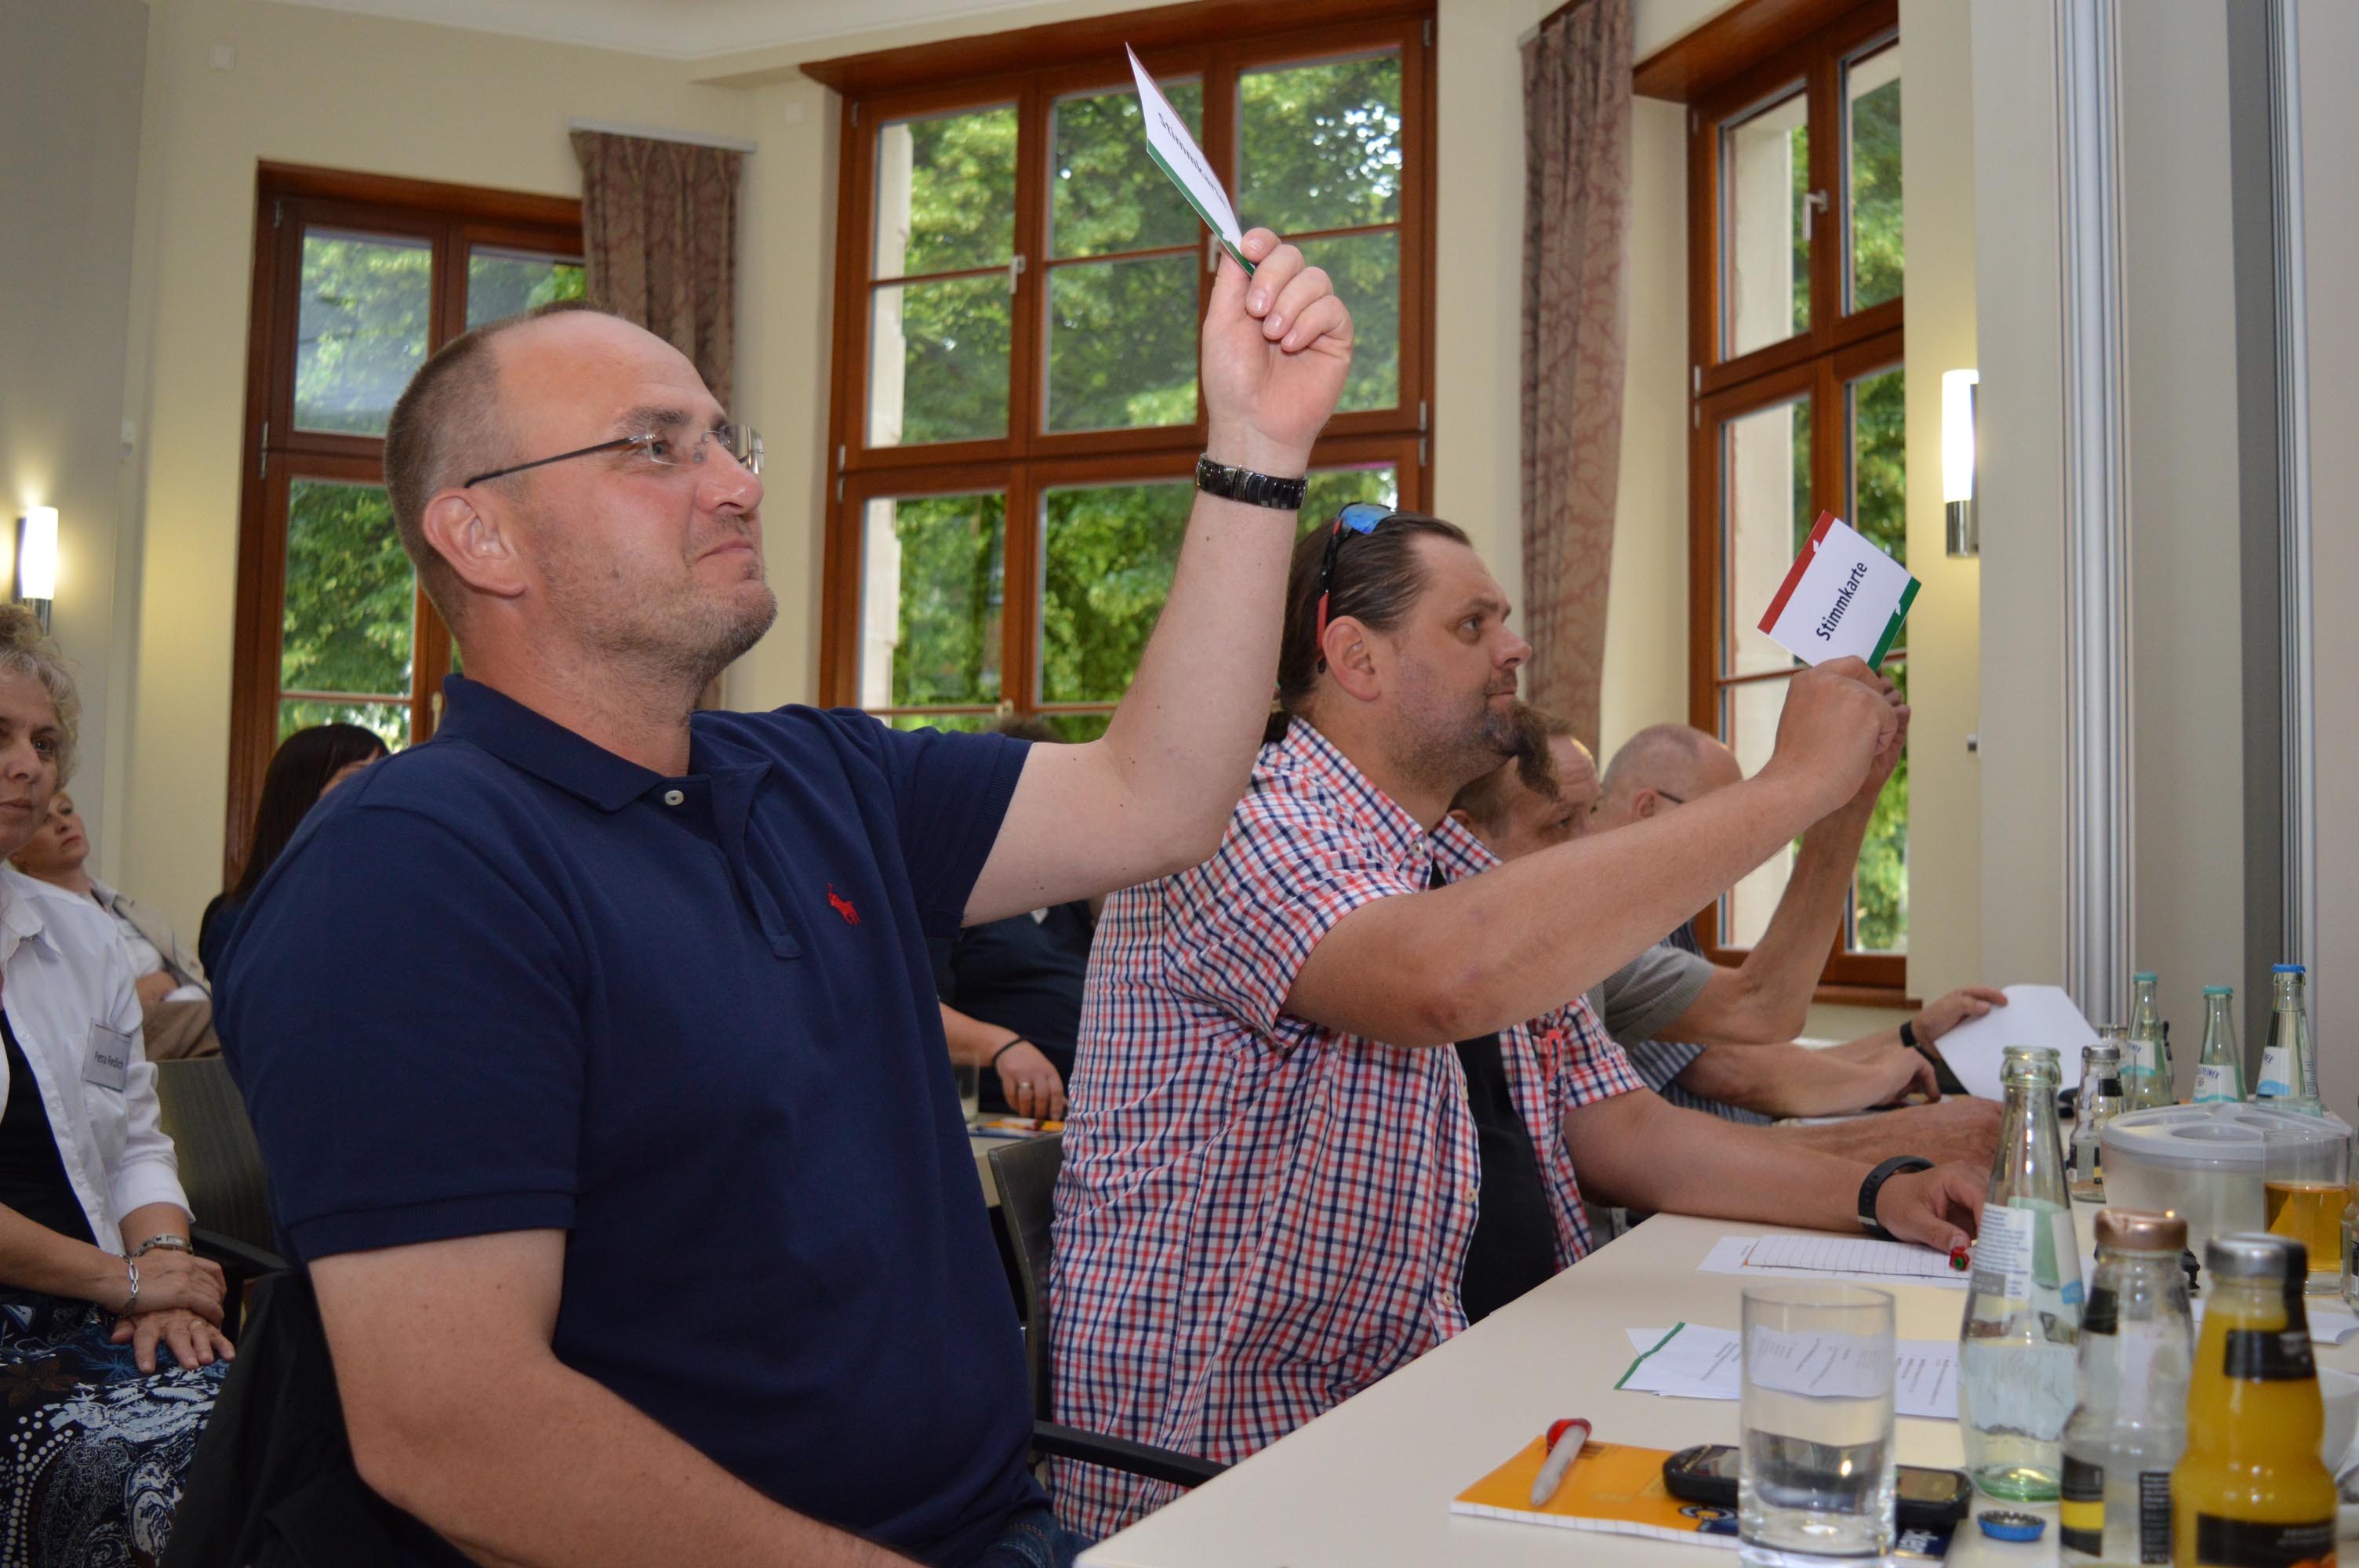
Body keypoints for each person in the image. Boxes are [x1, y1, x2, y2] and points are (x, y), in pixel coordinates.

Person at [220, 227, 1354, 1568]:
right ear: (480, 532)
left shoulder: (813, 771)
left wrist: (1258, 452)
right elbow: (456, 1428)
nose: (734, 484)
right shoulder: (412, 870)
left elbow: (1157, 798)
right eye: (654, 446)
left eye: (723, 438)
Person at [1049, 510, 1983, 1536]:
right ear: (1353, 657)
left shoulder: (1449, 863)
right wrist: (1796, 785)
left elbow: (1626, 1129)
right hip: (1228, 1464)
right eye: (1472, 625)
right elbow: (1439, 983)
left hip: (1422, 1400)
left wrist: (1880, 1191)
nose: (1516, 646)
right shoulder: (1241, 824)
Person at [1448, 713, 2001, 1163]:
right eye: (1564, 821)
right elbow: (1740, 1067)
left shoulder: (1626, 926)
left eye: (1589, 813)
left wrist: (1908, 1037)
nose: (1739, 839)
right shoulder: (1590, 931)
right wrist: (1884, 1124)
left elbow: (1759, 1021)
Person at [0, 604, 234, 1566]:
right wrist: (130, 1281)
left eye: (45, 742)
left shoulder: (85, 938)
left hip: (98, 1305)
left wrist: (168, 1279)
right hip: (46, 1323)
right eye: (0, 737)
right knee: (169, 1476)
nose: (29, 765)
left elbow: (137, 1139)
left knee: (292, 1431)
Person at [936, 724, 1087, 1121]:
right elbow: (911, 1008)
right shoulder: (947, 890)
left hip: (1084, 1115)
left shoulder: (1067, 896)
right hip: (999, 1116)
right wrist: (1001, 1046)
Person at [11, 789, 220, 1060]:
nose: (64, 824)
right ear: (17, 853)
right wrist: (157, 984)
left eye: (66, 811)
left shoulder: (132, 909)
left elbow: (190, 974)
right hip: (102, 1044)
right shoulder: (31, 923)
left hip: (177, 1026)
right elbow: (76, 1011)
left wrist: (163, 984)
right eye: (44, 821)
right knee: (227, 1020)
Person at [197, 723, 386, 978]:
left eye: (380, 779)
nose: (378, 794)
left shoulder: (385, 904)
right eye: (354, 778)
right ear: (302, 794)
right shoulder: (239, 922)